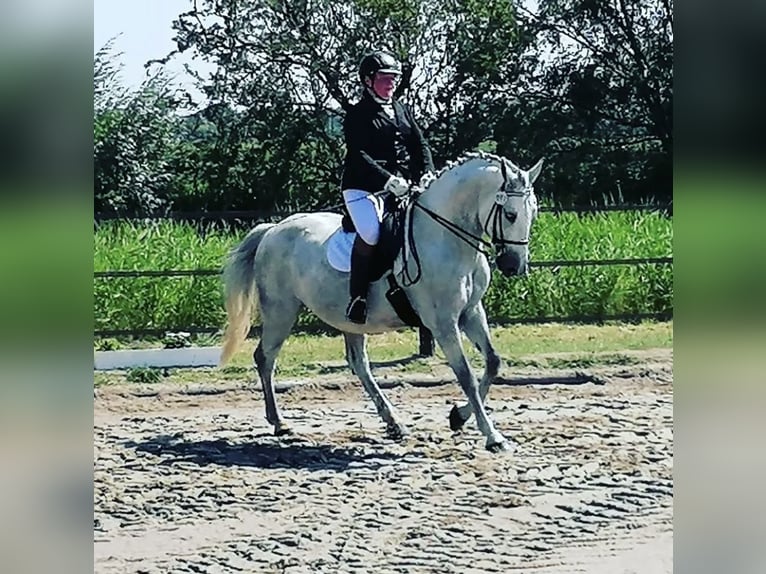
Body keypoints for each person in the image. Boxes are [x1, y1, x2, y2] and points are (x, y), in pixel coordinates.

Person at [340, 49, 435, 324]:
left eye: (394, 78)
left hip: (402, 184)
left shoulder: (401, 109)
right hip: (362, 187)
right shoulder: (357, 114)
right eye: (385, 78)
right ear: (368, 81)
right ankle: (357, 297)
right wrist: (388, 180)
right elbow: (359, 155)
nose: (391, 83)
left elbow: (420, 144)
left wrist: (427, 172)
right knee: (371, 231)